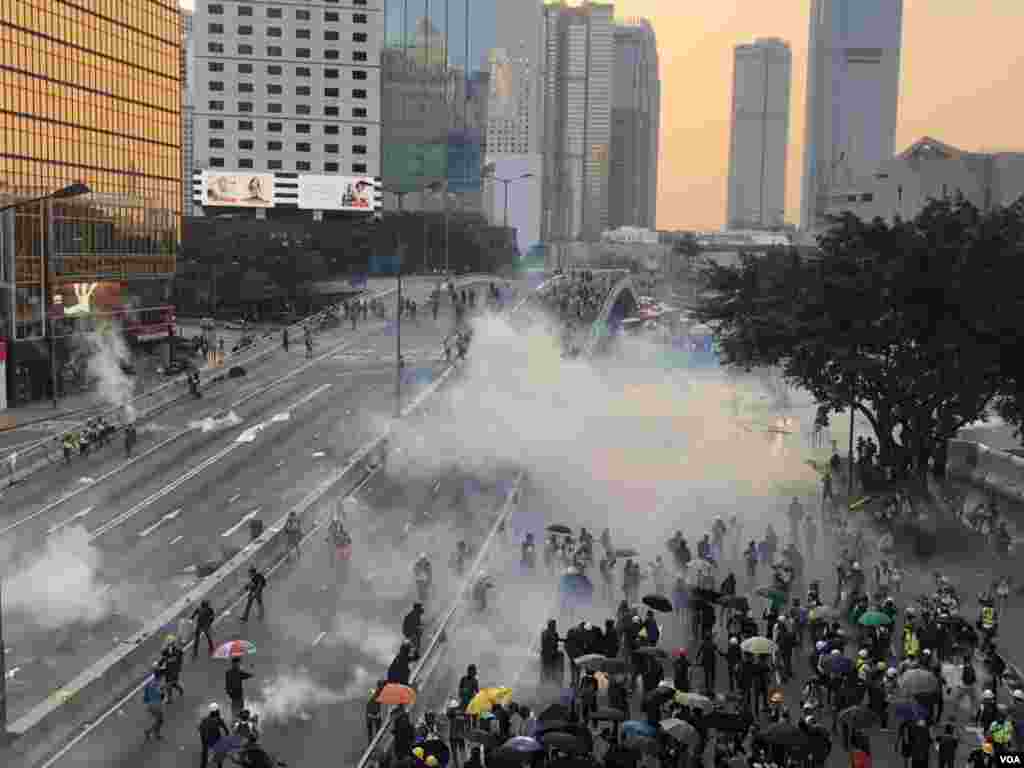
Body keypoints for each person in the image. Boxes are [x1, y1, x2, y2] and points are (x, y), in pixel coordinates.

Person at [199, 702, 230, 768]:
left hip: (205, 739)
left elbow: (200, 728)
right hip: (215, 739)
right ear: (217, 711)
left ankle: (203, 765)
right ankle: (219, 765)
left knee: (204, 752)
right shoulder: (219, 719)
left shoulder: (204, 719)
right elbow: (226, 729)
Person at [143, 666, 165, 741]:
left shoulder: (149, 683)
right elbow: (161, 695)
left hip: (150, 704)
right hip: (156, 705)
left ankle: (151, 732)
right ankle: (153, 733)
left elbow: (145, 696)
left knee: (158, 719)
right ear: (160, 676)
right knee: (160, 720)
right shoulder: (158, 684)